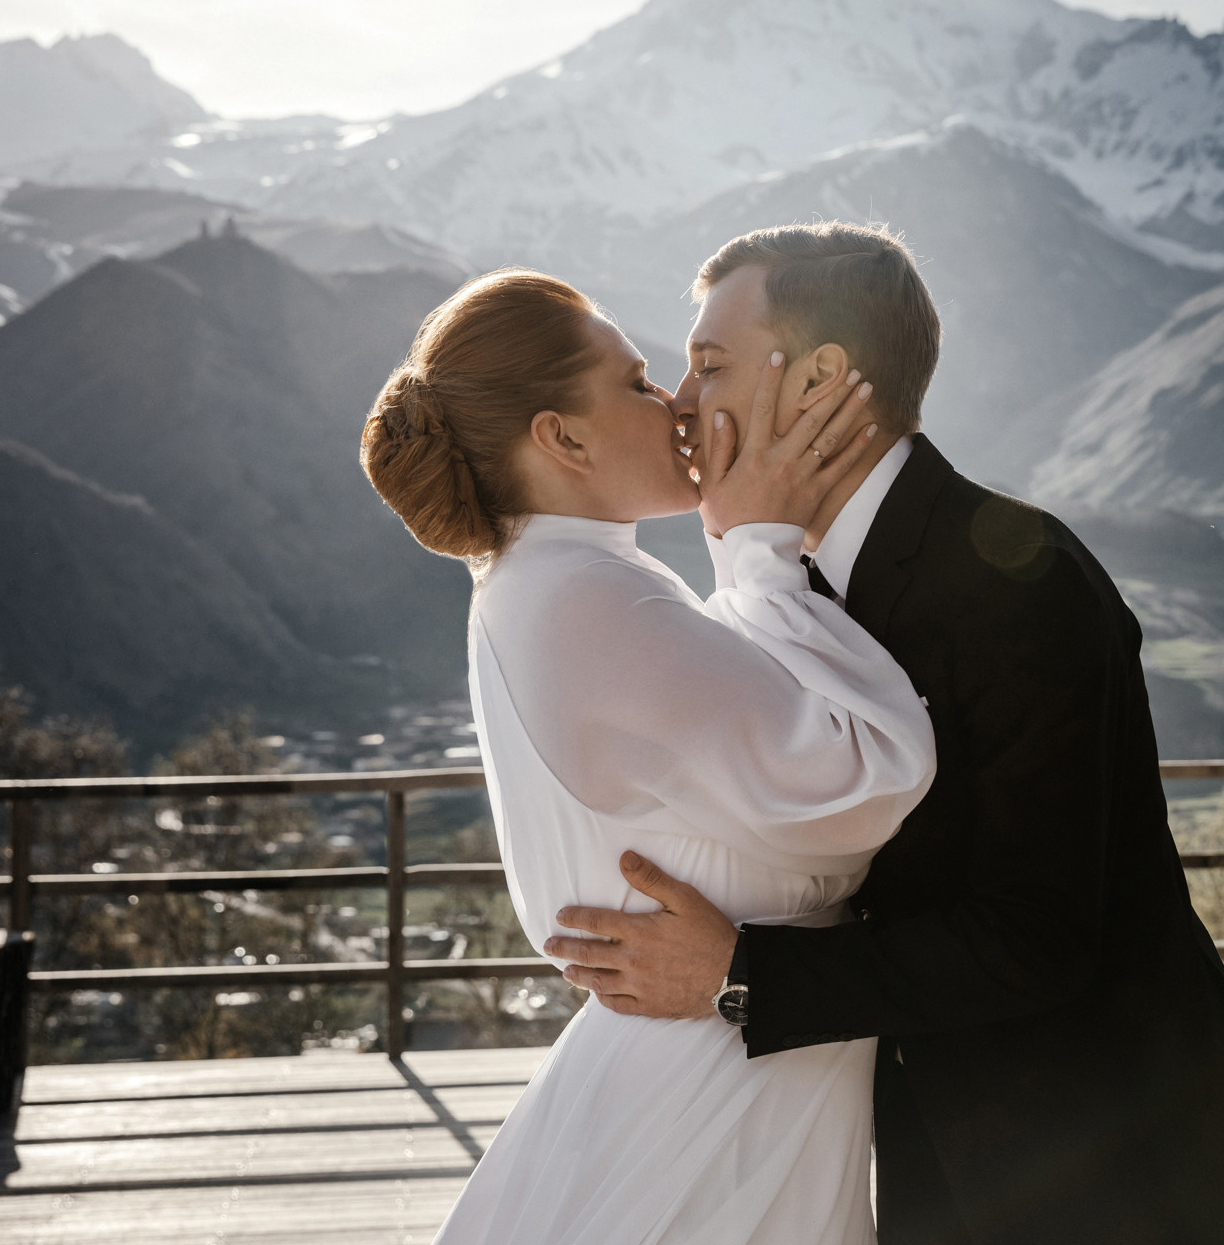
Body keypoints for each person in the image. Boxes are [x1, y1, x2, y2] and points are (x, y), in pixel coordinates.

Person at [544, 224, 1224, 1245]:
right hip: (941, 1145)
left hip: (1097, 1162)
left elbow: (1040, 935)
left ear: (819, 379)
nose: (682, 401)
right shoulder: (793, 586)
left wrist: (738, 971)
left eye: (710, 365)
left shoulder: (1018, 580)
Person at [360, 268, 937, 1245]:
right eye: (634, 382)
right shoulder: (589, 596)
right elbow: (864, 779)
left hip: (717, 1071)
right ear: (563, 438)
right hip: (709, 1097)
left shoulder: (564, 577)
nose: (673, 402)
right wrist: (757, 545)